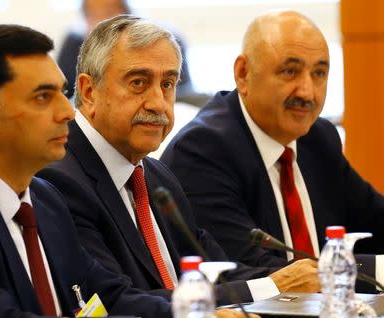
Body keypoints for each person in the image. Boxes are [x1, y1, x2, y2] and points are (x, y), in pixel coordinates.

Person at [38, 14, 320, 307]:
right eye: (138, 82)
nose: (158, 103)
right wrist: (272, 286)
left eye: (168, 83)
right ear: (88, 91)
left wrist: (299, 280)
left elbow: (220, 274)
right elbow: (115, 301)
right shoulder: (59, 181)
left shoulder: (157, 177)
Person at [0, 23, 179, 318]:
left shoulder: (45, 198)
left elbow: (108, 298)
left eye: (63, 93)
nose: (67, 111)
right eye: (43, 97)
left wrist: (195, 313)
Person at [160, 10, 384, 291]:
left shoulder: (318, 137)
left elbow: (377, 221)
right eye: (290, 71)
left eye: (319, 74)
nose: (307, 92)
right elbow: (252, 271)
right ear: (243, 73)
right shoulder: (202, 151)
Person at [57, 0, 194, 100]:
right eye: (92, 15)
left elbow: (184, 94)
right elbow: (62, 92)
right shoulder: (74, 43)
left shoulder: (166, 41)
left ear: (127, 14)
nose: (100, 22)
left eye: (109, 13)